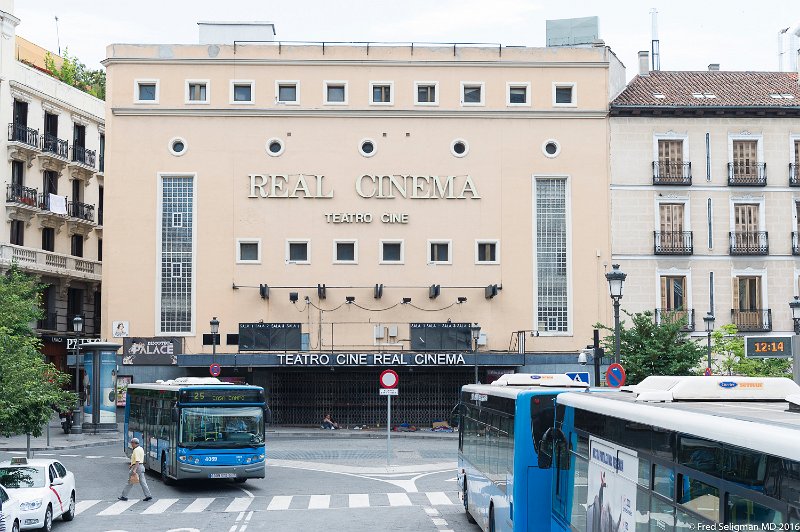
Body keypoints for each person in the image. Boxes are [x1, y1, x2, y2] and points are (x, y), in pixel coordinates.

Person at [119, 437, 153, 501]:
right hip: (141, 466)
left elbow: (137, 460)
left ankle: (123, 496)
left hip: (137, 467)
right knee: (143, 482)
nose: (131, 444)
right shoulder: (141, 449)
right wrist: (131, 464)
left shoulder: (136, 450)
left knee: (130, 482)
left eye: (132, 443)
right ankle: (148, 495)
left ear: (134, 443)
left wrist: (134, 469)